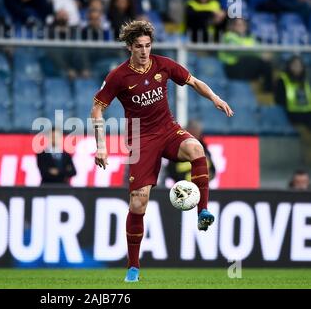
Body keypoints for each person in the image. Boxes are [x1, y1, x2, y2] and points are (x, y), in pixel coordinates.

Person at [90, 20, 233, 282]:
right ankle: (133, 266)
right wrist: (100, 145)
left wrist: (214, 97)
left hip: (168, 130)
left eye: (147, 45)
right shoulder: (118, 76)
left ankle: (202, 211)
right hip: (141, 140)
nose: (144, 51)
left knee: (196, 148)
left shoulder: (163, 64)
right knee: (137, 203)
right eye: (138, 47)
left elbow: (193, 81)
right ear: (129, 48)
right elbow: (97, 108)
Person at [219, 18, 274, 92]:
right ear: (232, 26)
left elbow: (260, 48)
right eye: (238, 25)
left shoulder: (250, 37)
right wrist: (260, 55)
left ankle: (268, 89)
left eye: (243, 25)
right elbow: (236, 51)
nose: (241, 27)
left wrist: (265, 54)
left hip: (245, 67)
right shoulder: (229, 36)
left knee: (266, 62)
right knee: (253, 59)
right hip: (232, 67)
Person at [275, 55, 311, 127]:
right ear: (289, 66)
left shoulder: (306, 80)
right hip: (290, 113)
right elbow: (278, 99)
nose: (297, 68)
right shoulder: (282, 79)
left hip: (307, 113)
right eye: (294, 65)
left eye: (299, 65)